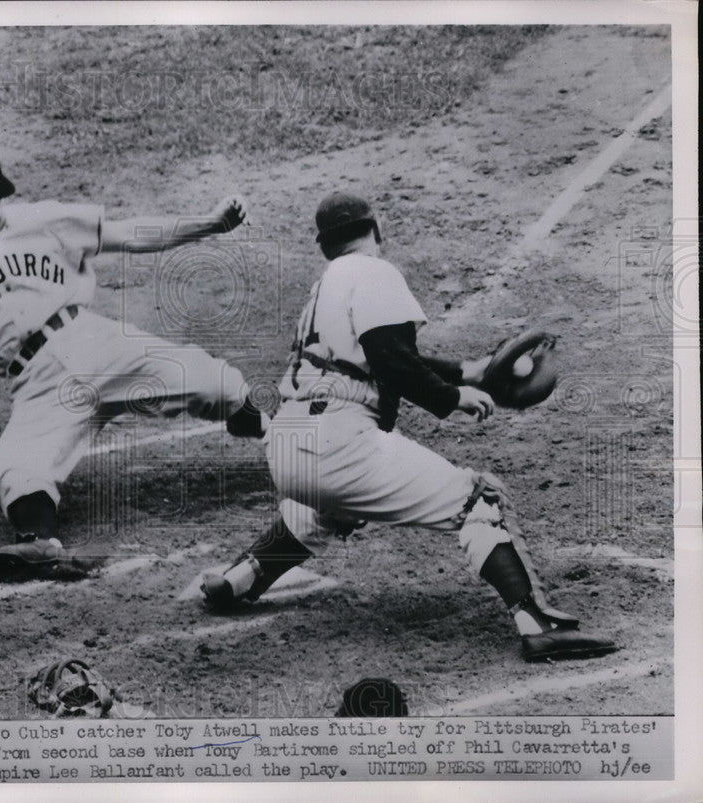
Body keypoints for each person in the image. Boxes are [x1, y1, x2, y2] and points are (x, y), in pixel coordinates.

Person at [201, 191, 619, 663]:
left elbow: (386, 357)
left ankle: (240, 579)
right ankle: (535, 622)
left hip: (288, 442)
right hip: (337, 440)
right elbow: (390, 359)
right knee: (480, 498)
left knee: (335, 503)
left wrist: (468, 370)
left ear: (326, 246)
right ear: (376, 230)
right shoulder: (376, 272)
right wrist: (452, 397)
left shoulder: (328, 286)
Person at [0, 145, 266, 582]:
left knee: (217, 384)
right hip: (37, 381)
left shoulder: (43, 220)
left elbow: (131, 234)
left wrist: (210, 224)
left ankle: (275, 432)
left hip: (92, 338)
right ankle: (40, 545)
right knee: (17, 469)